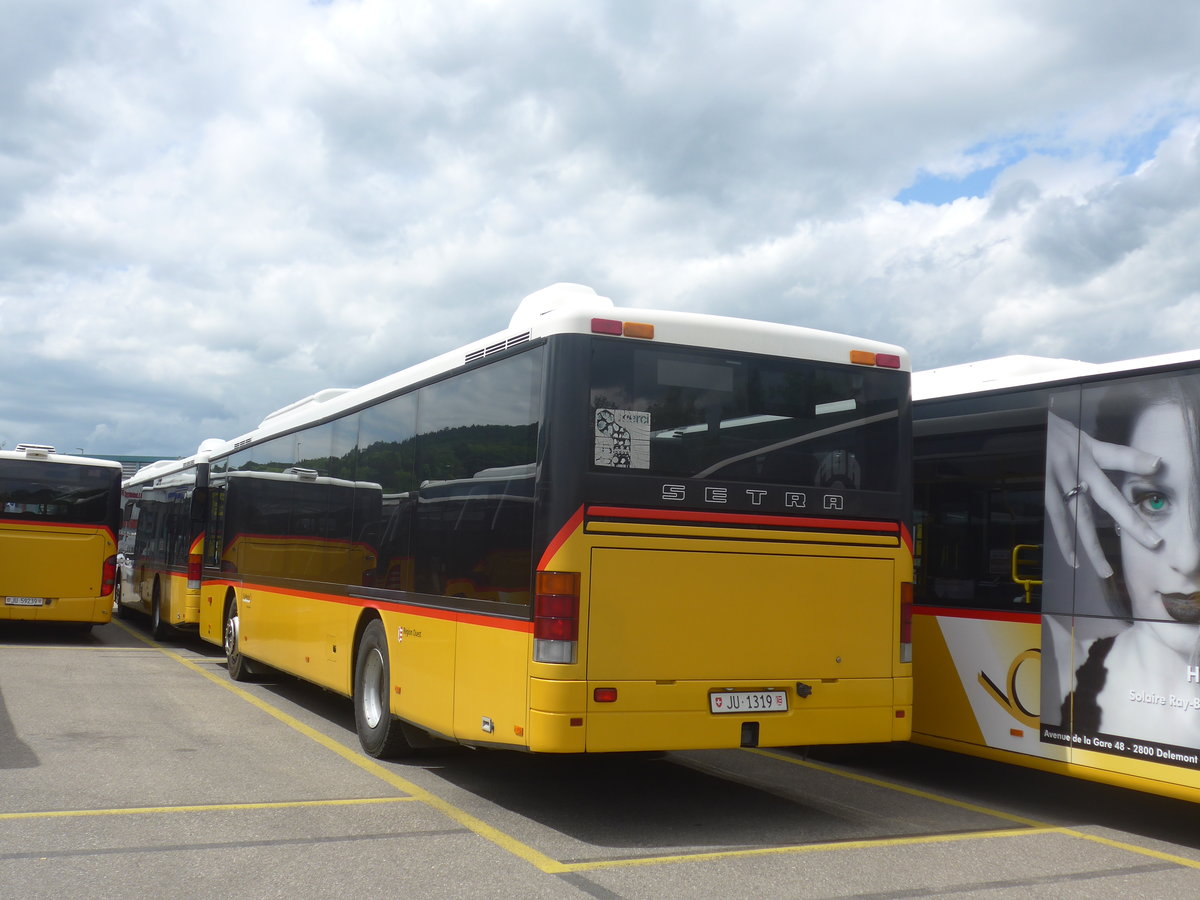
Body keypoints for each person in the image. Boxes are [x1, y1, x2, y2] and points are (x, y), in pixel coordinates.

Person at [1049, 376, 1200, 750]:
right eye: (1154, 500)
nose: (1188, 559)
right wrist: (1045, 432)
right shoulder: (1056, 662)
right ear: (1112, 511)